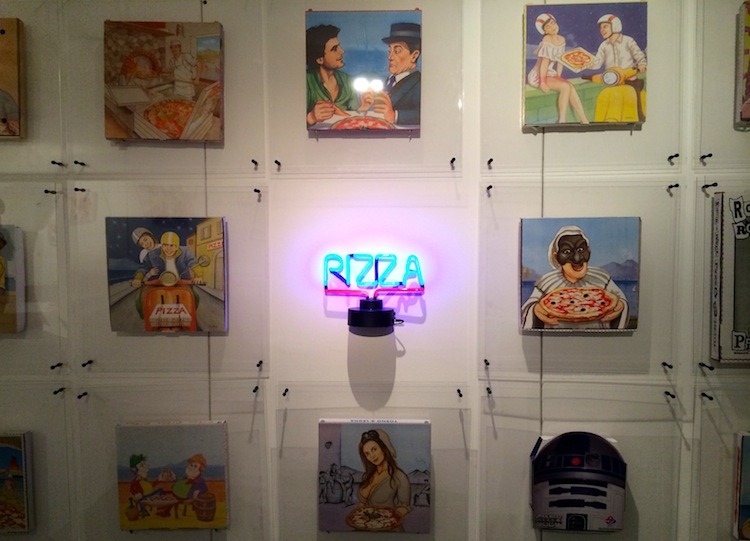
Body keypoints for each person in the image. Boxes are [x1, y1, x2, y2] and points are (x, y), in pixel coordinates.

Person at [521, 225, 628, 330]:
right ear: (556, 257)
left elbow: (621, 300)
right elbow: (528, 308)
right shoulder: (546, 282)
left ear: (589, 251)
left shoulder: (602, 278)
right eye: (567, 252)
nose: (577, 258)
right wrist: (535, 309)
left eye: (581, 249)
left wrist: (621, 306)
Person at [527, 13, 589, 124]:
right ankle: (562, 120)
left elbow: (560, 60)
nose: (552, 27)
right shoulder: (546, 40)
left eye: (553, 23)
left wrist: (559, 77)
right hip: (539, 75)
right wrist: (542, 82)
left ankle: (584, 119)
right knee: (565, 87)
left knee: (571, 87)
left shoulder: (562, 39)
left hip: (551, 73)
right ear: (545, 31)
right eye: (548, 26)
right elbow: (544, 63)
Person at [586, 14, 647, 122]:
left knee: (634, 99)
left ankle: (639, 118)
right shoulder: (603, 45)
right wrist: (585, 64)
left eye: (605, 26)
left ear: (615, 26)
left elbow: (639, 55)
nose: (602, 30)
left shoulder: (628, 41)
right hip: (612, 82)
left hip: (629, 80)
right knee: (604, 96)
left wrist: (642, 64)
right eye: (600, 28)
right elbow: (597, 64)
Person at [361, 22, 422, 127]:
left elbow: (426, 113)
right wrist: (366, 107)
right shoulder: (389, 81)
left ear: (414, 56)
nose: (390, 57)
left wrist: (395, 115)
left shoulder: (419, 83)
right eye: (390, 51)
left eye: (397, 51)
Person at [306, 25, 362, 126]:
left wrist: (363, 107)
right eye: (334, 49)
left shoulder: (347, 80)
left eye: (339, 46)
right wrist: (311, 117)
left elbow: (354, 119)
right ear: (320, 59)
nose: (342, 51)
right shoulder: (307, 80)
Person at [356, 429, 411, 526]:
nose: (372, 456)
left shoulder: (399, 476)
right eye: (367, 454)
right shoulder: (367, 476)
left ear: (384, 447)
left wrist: (385, 520)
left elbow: (404, 507)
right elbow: (361, 503)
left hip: (388, 527)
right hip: (365, 526)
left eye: (374, 449)